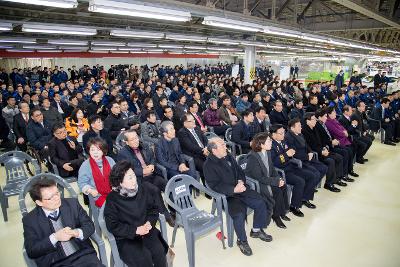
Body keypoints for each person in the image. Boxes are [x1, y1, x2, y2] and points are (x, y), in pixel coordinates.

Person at [204, 137, 272, 256]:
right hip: (227, 196)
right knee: (239, 214)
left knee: (261, 201)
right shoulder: (208, 165)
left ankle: (256, 230)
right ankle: (242, 241)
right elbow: (214, 186)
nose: (226, 146)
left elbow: (239, 171)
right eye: (222, 145)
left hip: (240, 188)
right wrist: (233, 189)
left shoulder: (228, 155)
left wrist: (241, 181)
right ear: (214, 151)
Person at [22, 177, 104, 267]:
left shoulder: (72, 204)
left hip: (83, 255)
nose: (57, 198)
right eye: (50, 198)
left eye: (57, 193)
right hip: (55, 262)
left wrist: (76, 232)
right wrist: (54, 237)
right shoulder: (30, 220)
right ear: (39, 202)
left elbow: (89, 225)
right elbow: (32, 250)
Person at [104, 161, 168, 267]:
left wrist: (149, 223)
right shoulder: (112, 199)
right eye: (129, 178)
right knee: (144, 259)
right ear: (120, 182)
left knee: (159, 252)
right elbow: (112, 225)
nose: (134, 180)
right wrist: (136, 230)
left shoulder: (142, 189)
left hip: (147, 230)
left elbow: (153, 210)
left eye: (133, 175)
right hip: (127, 237)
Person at [116, 129, 175, 226]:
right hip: (139, 180)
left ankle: (174, 210)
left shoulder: (145, 145)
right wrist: (142, 171)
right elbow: (125, 170)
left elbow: (152, 158)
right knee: (154, 190)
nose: (136, 141)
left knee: (167, 185)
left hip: (152, 174)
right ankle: (166, 215)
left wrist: (152, 165)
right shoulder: (123, 153)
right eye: (132, 139)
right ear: (126, 142)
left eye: (136, 138)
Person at [269, 124, 318, 217]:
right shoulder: (270, 145)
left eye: (284, 132)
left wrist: (291, 153)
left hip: (290, 166)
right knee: (300, 181)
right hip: (281, 171)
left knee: (312, 175)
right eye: (281, 133)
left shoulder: (283, 141)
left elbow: (289, 151)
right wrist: (286, 155)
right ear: (273, 134)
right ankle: (294, 206)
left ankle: (304, 198)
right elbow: (274, 163)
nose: (283, 135)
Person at [245, 133, 289, 229]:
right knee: (277, 191)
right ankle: (276, 216)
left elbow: (272, 169)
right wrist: (276, 182)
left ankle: (281, 211)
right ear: (261, 144)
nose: (271, 142)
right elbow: (259, 178)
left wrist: (278, 178)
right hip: (257, 183)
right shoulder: (252, 157)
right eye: (269, 141)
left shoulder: (267, 152)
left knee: (283, 186)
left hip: (266, 178)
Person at [302, 112, 344, 192]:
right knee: (330, 161)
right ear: (307, 121)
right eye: (313, 120)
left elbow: (320, 141)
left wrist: (324, 148)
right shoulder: (304, 131)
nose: (315, 121)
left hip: (321, 150)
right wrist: (321, 151)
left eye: (315, 119)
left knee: (339, 157)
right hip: (316, 154)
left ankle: (336, 179)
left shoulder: (314, 128)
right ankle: (328, 184)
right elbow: (309, 147)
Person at [284, 118, 328, 190]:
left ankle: (310, 187)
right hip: (300, 161)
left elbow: (306, 145)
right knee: (315, 173)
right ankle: (306, 195)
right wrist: (307, 157)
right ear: (292, 128)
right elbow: (294, 154)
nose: (301, 127)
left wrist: (310, 152)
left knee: (324, 168)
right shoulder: (288, 137)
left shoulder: (300, 134)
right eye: (298, 126)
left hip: (307, 157)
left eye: (300, 125)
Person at [315, 108, 358, 180]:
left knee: (349, 149)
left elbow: (341, 128)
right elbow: (333, 134)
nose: (336, 113)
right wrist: (331, 142)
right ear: (320, 117)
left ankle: (347, 172)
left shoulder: (327, 122)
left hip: (333, 143)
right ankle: (341, 175)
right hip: (329, 146)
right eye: (325, 116)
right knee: (345, 152)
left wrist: (344, 132)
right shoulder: (325, 123)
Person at [78, 137, 115, 207]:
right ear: (89, 151)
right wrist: (90, 190)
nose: (95, 152)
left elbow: (117, 176)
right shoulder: (85, 165)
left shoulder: (110, 160)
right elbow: (82, 183)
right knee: (111, 207)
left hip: (112, 192)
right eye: (92, 150)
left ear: (103, 151)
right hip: (97, 196)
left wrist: (115, 186)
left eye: (98, 150)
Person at [177, 114, 208, 183]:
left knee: (217, 161)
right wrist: (203, 150)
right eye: (191, 121)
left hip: (204, 152)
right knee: (206, 168)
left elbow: (205, 139)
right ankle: (208, 191)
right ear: (185, 123)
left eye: (193, 119)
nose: (194, 121)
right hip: (193, 156)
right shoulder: (182, 133)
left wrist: (206, 148)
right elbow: (190, 146)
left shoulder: (197, 128)